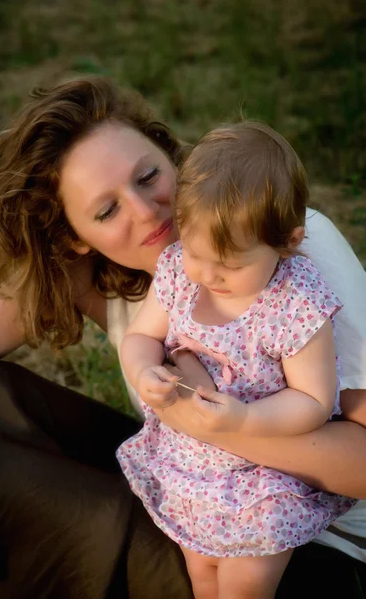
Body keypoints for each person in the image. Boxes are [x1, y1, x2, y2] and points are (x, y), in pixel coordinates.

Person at [0, 77, 365, 598]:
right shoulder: (126, 276)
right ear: (74, 239)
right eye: (106, 211)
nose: (146, 212)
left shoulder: (291, 250)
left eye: (149, 175)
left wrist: (200, 415)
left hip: (304, 552)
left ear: (173, 158)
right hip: (190, 501)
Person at [117, 122, 357, 598]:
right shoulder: (180, 274)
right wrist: (144, 370)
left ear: (287, 242)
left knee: (246, 582)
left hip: (267, 472)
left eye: (231, 265)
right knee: (201, 568)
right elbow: (142, 335)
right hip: (192, 461)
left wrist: (246, 417)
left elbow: (313, 399)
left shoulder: (296, 303)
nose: (207, 275)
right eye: (196, 253)